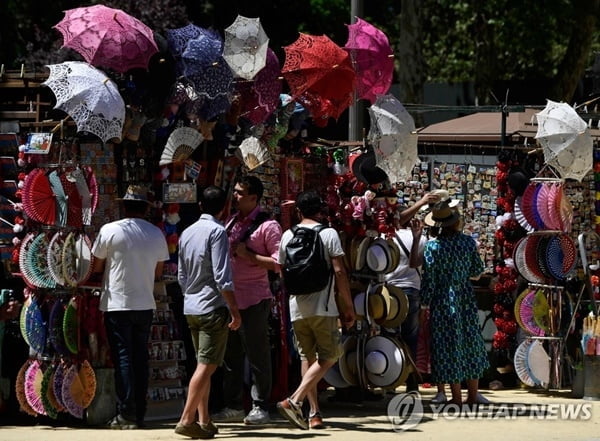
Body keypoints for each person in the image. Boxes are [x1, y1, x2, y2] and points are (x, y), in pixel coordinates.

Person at [91, 185, 170, 429]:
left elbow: (96, 267)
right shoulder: (156, 234)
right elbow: (158, 273)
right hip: (144, 304)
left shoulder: (110, 230)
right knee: (140, 358)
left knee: (123, 357)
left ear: (123, 206)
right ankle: (140, 412)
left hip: (117, 304)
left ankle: (127, 413)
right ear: (146, 208)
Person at [276, 190, 355, 430]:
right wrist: (348, 306)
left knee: (306, 357)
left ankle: (313, 413)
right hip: (324, 306)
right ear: (320, 211)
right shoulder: (328, 233)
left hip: (297, 307)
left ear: (298, 211)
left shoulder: (287, 235)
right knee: (331, 355)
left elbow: (281, 269)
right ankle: (295, 400)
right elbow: (339, 272)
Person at [212, 176, 282, 425]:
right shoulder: (231, 221)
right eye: (236, 191)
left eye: (241, 193)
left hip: (254, 298)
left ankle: (260, 405)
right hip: (230, 299)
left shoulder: (269, 226)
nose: (236, 196)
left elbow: (277, 263)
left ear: (254, 197)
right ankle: (233, 405)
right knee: (230, 356)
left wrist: (249, 255)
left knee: (257, 355)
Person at [175, 185, 241, 439]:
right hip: (211, 306)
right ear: (224, 208)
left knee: (204, 365)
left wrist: (190, 295)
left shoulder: (187, 232)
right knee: (207, 365)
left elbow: (181, 274)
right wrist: (234, 310)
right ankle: (187, 418)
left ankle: (204, 420)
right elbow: (222, 277)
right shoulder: (217, 232)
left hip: (191, 305)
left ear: (200, 206)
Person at [419, 200, 489, 405]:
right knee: (471, 344)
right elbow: (477, 271)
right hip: (465, 298)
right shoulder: (468, 242)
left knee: (448, 347)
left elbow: (429, 281)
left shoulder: (432, 247)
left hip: (442, 302)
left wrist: (424, 305)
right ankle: (473, 394)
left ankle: (456, 397)